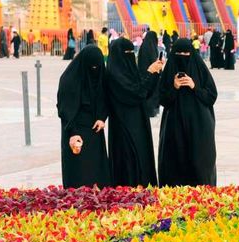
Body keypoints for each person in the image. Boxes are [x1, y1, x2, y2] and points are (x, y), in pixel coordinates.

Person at [158, 38, 218, 187]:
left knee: (200, 162)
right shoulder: (168, 73)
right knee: (175, 162)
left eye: (186, 53)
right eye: (179, 53)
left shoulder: (200, 70)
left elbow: (211, 96)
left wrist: (194, 86)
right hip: (174, 127)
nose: (182, 56)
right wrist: (174, 87)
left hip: (199, 126)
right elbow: (162, 99)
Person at [107, 38, 162, 187]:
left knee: (142, 156)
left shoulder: (131, 72)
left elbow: (144, 93)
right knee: (129, 159)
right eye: (127, 53)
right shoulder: (114, 75)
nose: (130, 56)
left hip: (139, 122)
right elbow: (136, 93)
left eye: (132, 52)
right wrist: (150, 73)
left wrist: (154, 73)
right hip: (124, 124)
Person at [57, 46, 112, 189]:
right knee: (78, 172)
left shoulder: (100, 75)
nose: (94, 69)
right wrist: (73, 133)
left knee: (96, 171)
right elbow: (65, 109)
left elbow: (105, 98)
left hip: (94, 129)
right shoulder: (69, 80)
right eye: (91, 67)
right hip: (75, 129)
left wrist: (102, 117)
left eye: (97, 66)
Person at [138, 30, 160, 117]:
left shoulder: (143, 46)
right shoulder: (152, 47)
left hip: (143, 73)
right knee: (153, 91)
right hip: (152, 73)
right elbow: (153, 60)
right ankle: (151, 110)